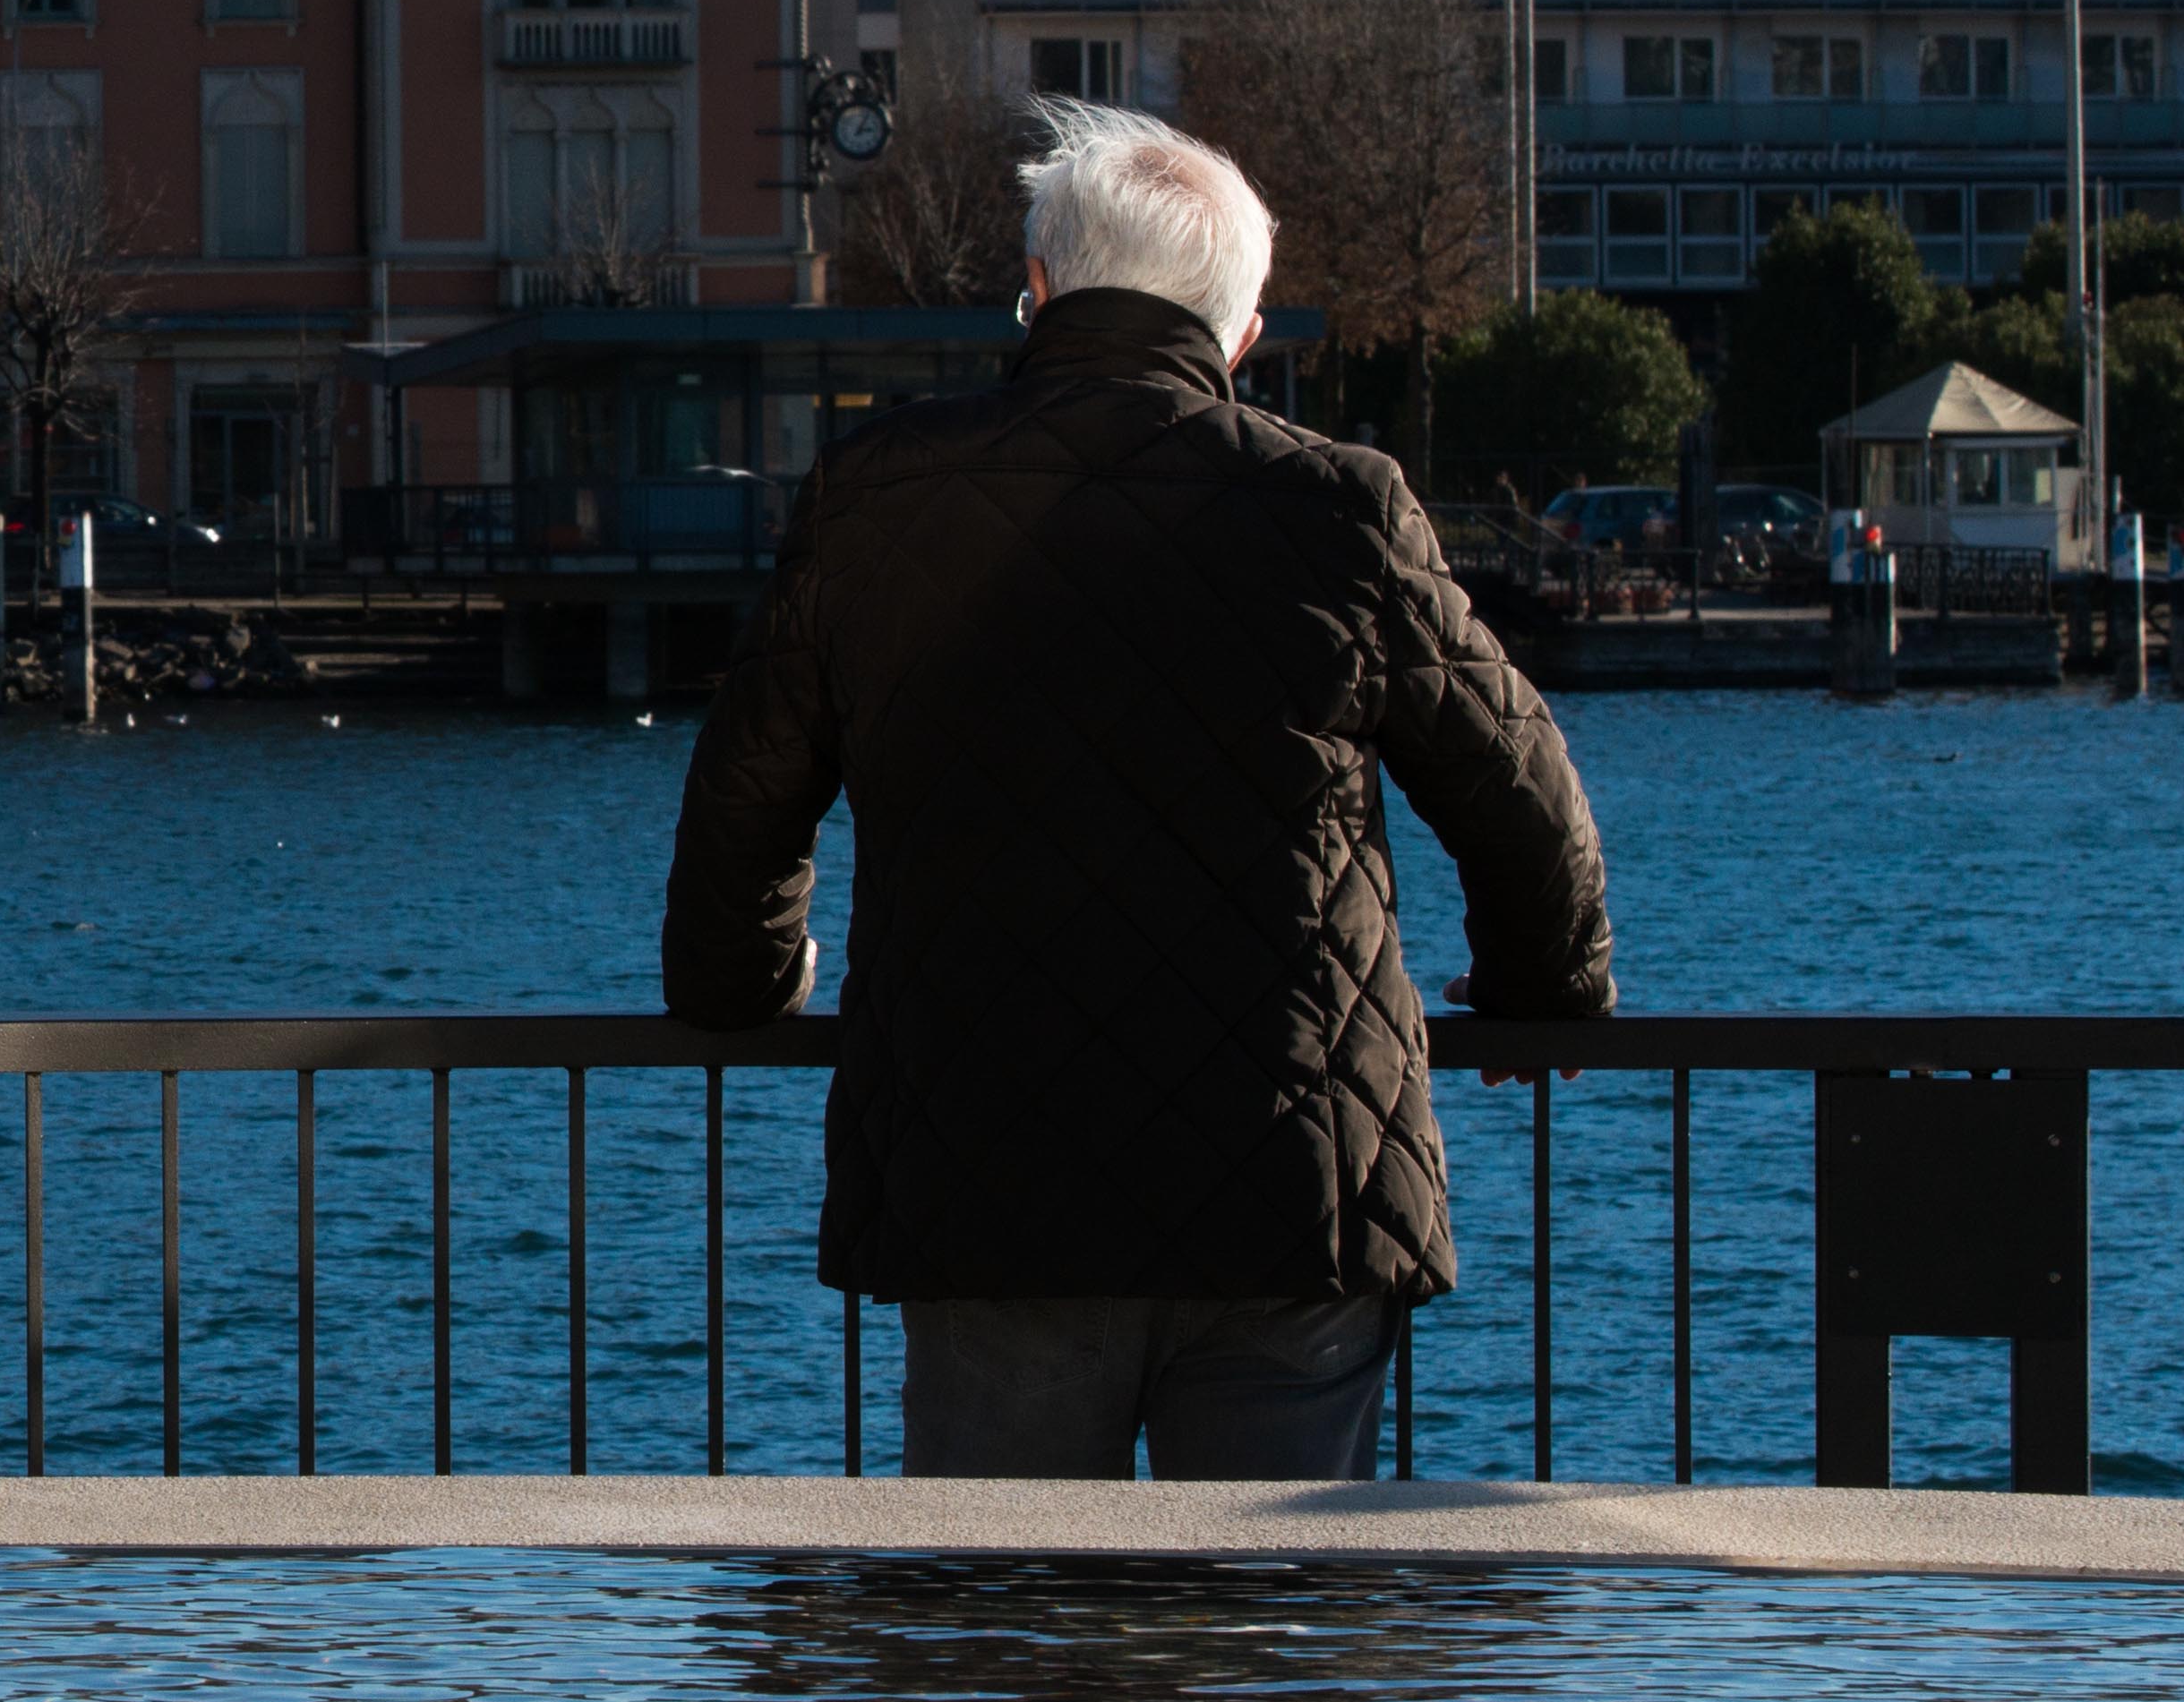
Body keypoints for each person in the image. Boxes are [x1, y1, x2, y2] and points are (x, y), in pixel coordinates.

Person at [662, 107, 1610, 1480]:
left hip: (987, 1183)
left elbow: (745, 800)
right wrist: (1543, 993)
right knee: (1273, 1653)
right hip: (1296, 1188)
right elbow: (1524, 794)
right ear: (1241, 331)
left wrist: (744, 984)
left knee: (1007, 1648)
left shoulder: (879, 496)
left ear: (1036, 293)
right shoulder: (1336, 506)